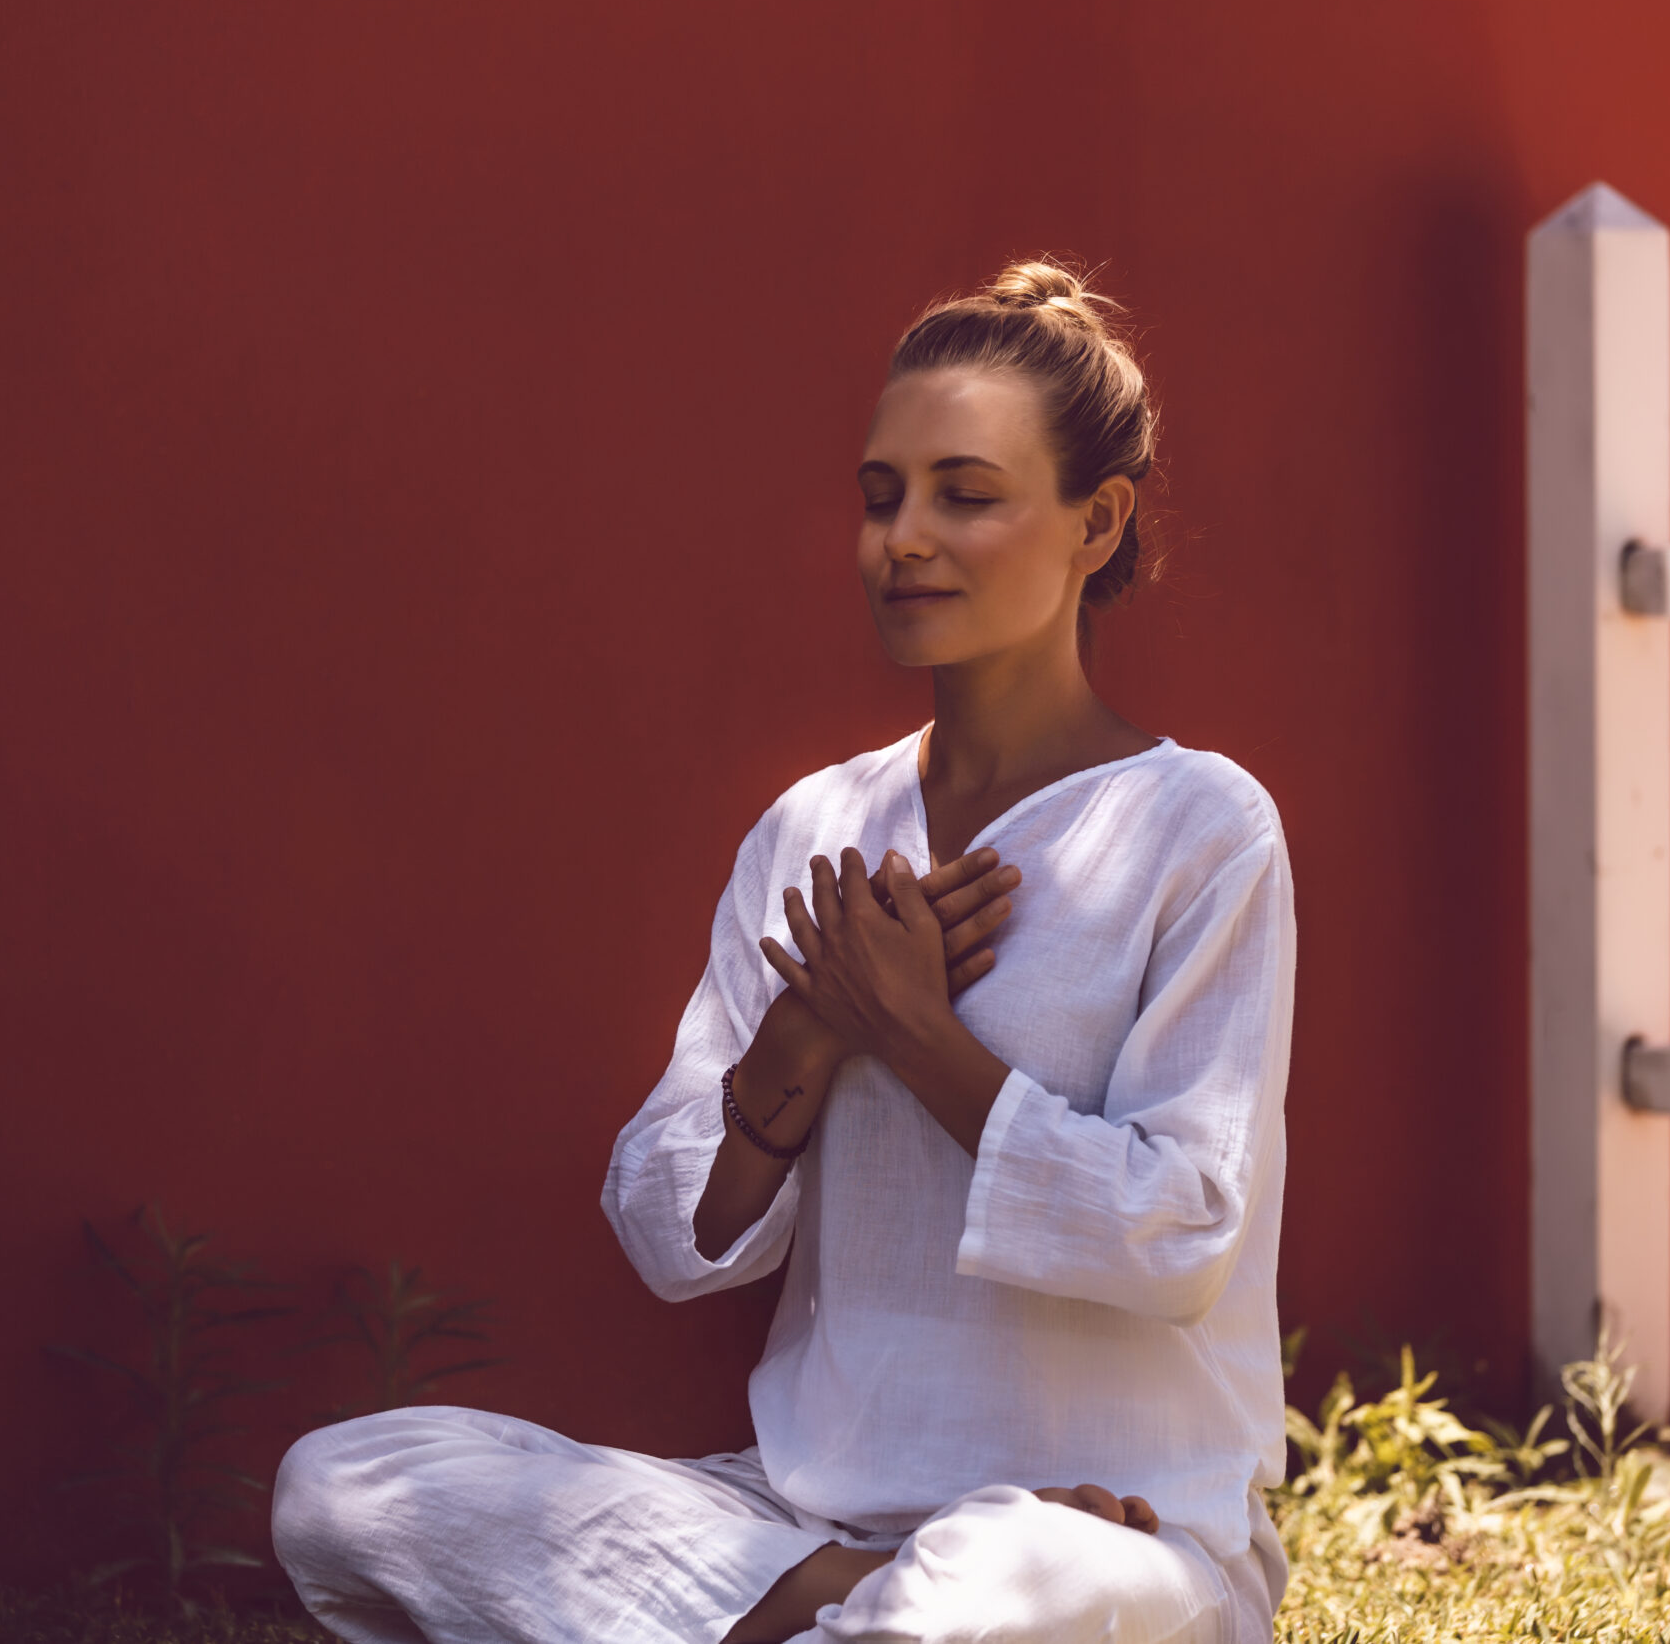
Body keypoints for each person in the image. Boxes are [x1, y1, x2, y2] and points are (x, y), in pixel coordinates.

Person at [272, 261, 1296, 1643]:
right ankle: (839, 1608)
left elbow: (1180, 1236)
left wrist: (915, 1030)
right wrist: (804, 1040)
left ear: (1096, 523)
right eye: (883, 497)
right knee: (346, 1487)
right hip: (797, 1521)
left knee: (991, 1587)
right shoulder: (818, 826)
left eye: (966, 495)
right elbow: (672, 1238)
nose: (903, 540)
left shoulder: (1199, 827)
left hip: (1108, 1534)